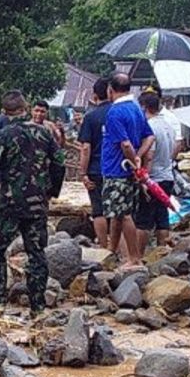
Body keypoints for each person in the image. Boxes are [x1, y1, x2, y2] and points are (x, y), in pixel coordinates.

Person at [0, 90, 64, 316]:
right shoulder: (44, 134)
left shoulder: (5, 134)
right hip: (37, 203)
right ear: (25, 109)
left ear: (4, 112)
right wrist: (52, 191)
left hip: (9, 203)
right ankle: (38, 306)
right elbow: (60, 162)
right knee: (36, 252)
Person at [101, 73, 153, 269]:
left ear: (110, 90)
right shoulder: (137, 109)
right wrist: (138, 158)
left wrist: (134, 161)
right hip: (128, 170)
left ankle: (134, 257)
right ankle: (111, 251)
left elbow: (125, 144)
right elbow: (150, 138)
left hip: (118, 170)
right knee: (118, 212)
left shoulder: (115, 112)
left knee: (123, 214)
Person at [136, 92, 175, 250]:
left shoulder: (150, 126)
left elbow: (149, 155)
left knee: (144, 219)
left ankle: (137, 255)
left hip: (154, 178)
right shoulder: (167, 125)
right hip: (167, 175)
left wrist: (144, 180)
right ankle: (162, 250)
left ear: (144, 107)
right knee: (161, 216)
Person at [76, 78, 111, 249]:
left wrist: (83, 173)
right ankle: (119, 247)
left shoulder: (91, 117)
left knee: (99, 210)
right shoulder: (120, 113)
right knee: (119, 211)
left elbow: (85, 148)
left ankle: (104, 247)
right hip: (119, 169)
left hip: (96, 169)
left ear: (95, 95)